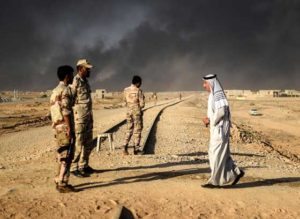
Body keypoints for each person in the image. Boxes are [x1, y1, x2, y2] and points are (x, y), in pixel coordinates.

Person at [202, 74, 244, 188]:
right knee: (218, 154)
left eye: (205, 83)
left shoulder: (218, 95)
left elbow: (221, 112)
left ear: (211, 83)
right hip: (215, 129)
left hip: (219, 129)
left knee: (216, 154)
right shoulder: (213, 95)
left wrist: (210, 120)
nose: (203, 85)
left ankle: (215, 182)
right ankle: (235, 172)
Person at [50, 65, 75, 193]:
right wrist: (69, 128)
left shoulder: (55, 91)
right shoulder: (65, 90)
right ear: (67, 76)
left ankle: (59, 179)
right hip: (64, 127)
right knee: (67, 155)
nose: (72, 77)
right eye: (71, 74)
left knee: (61, 154)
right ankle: (62, 183)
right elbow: (66, 111)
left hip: (57, 126)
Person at [71, 59, 95, 177]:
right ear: (80, 69)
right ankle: (73, 167)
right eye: (87, 69)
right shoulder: (75, 82)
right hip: (79, 118)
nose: (89, 71)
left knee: (88, 143)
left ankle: (83, 165)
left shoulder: (86, 82)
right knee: (78, 143)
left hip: (88, 116)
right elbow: (70, 100)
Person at [123, 75, 145, 155]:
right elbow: (142, 104)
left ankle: (125, 147)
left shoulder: (126, 90)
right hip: (137, 113)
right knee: (137, 130)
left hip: (129, 112)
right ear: (138, 83)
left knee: (129, 129)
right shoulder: (139, 91)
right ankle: (136, 149)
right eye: (140, 83)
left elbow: (124, 101)